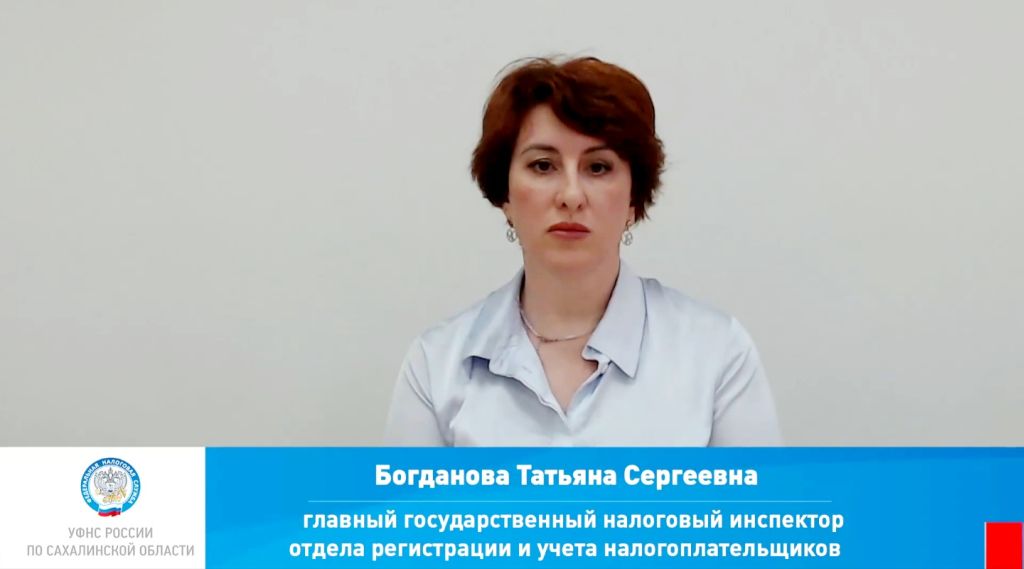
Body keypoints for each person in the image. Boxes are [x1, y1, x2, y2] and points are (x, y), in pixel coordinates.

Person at [384, 56, 781, 446]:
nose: (571, 196)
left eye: (598, 167)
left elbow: (757, 493)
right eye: (543, 166)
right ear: (504, 195)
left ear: (633, 199)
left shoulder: (717, 353)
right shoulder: (436, 364)